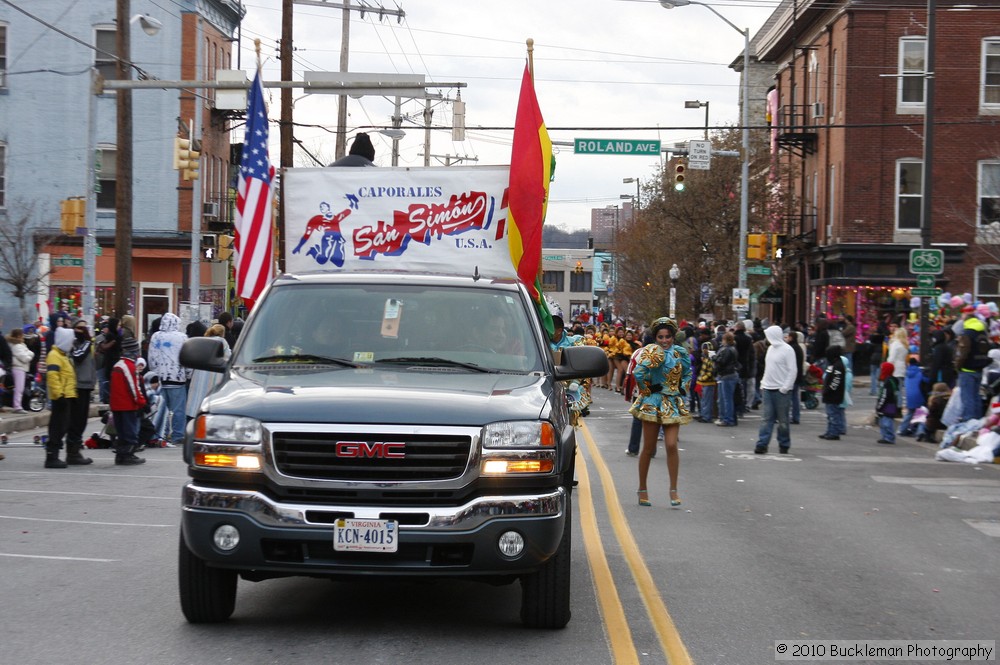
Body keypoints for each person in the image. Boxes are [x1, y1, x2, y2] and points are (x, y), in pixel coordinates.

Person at [629, 317, 692, 507]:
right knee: (648, 448)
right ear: (655, 338)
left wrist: (682, 387)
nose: (665, 341)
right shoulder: (650, 352)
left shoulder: (680, 353)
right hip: (653, 402)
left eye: (668, 337)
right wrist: (647, 389)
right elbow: (638, 372)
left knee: (672, 445)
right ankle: (642, 489)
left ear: (673, 337)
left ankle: (673, 490)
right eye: (661, 337)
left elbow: (688, 373)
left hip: (672, 402)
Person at [753, 325, 798, 455]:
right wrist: (763, 383)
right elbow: (768, 368)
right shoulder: (771, 349)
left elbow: (792, 370)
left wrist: (785, 387)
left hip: (781, 390)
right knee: (766, 418)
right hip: (768, 387)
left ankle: (784, 444)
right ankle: (762, 444)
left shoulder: (788, 350)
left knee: (783, 420)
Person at [148, 313, 190, 446]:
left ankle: (161, 434)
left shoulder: (155, 336)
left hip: (160, 379)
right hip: (177, 378)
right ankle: (178, 435)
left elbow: (151, 357)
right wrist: (188, 374)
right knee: (178, 409)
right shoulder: (182, 337)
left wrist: (154, 373)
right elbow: (186, 358)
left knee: (161, 408)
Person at [43, 327, 78, 468]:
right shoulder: (54, 355)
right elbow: (53, 377)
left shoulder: (63, 355)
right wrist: (59, 395)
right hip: (60, 398)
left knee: (62, 426)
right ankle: (52, 456)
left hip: (66, 396)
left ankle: (54, 454)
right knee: (57, 427)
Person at [110, 336, 147, 465]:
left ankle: (120, 455)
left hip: (116, 405)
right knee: (130, 431)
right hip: (128, 405)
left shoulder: (117, 365)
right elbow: (134, 387)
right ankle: (128, 455)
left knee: (121, 431)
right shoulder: (130, 366)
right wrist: (141, 402)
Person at [65, 319, 97, 465]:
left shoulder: (88, 344)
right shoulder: (74, 343)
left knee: (82, 420)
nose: (83, 331)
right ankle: (72, 452)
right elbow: (78, 356)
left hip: (86, 385)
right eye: (79, 328)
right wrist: (87, 343)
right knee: (76, 420)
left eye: (85, 328)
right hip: (77, 385)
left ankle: (76, 449)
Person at [186, 325, 231, 422]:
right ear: (222, 333)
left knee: (197, 400)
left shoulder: (204, 341)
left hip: (200, 373)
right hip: (214, 373)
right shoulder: (222, 342)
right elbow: (229, 357)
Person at [954, 315, 991, 422]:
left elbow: (963, 353)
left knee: (967, 397)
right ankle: (978, 419)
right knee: (976, 396)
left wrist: (958, 366)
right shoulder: (983, 333)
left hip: (967, 370)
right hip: (979, 369)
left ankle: (968, 420)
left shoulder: (967, 334)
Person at [819, 345, 847, 440]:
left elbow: (836, 381)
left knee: (833, 415)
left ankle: (834, 432)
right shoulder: (833, 364)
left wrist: (828, 390)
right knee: (830, 415)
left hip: (834, 395)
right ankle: (830, 431)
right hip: (830, 394)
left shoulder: (838, 366)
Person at [714, 331, 740, 427]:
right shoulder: (733, 349)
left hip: (726, 375)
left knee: (726, 399)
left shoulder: (726, 350)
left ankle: (727, 419)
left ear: (725, 340)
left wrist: (714, 357)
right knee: (727, 398)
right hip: (730, 374)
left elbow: (722, 362)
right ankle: (726, 418)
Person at [898, 357, 928, 437]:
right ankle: (920, 431)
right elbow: (927, 380)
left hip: (909, 396)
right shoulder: (919, 372)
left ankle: (902, 429)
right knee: (921, 412)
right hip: (919, 396)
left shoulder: (907, 374)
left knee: (909, 414)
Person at [7, 328, 34, 413]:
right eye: (22, 335)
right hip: (19, 368)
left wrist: (28, 353)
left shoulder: (18, 345)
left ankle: (17, 405)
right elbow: (25, 358)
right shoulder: (17, 346)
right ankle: (17, 406)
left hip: (19, 368)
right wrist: (31, 354)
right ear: (19, 336)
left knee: (19, 389)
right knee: (19, 389)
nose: (23, 336)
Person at [875, 361, 902, 444]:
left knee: (886, 421)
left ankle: (889, 437)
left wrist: (879, 406)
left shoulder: (887, 382)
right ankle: (886, 436)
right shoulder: (893, 380)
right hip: (892, 403)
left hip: (888, 404)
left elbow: (884, 395)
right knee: (885, 420)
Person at [695, 340, 717, 423]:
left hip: (708, 382)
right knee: (704, 400)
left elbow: (710, 372)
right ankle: (704, 415)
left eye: (705, 349)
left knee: (707, 401)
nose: (704, 350)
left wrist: (702, 378)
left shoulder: (710, 359)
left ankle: (707, 417)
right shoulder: (706, 358)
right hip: (704, 382)